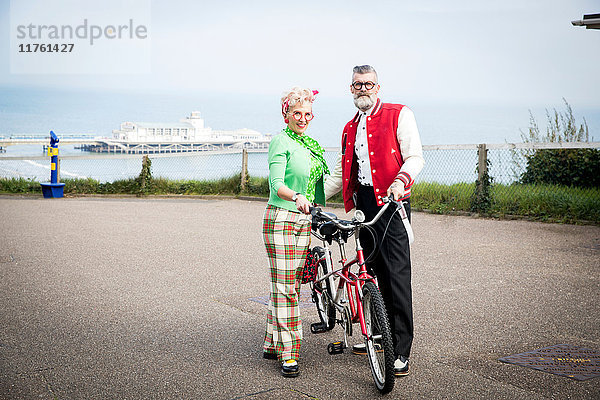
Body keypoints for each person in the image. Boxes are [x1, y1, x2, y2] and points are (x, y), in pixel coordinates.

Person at [324, 65, 424, 377]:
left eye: (368, 83)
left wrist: (400, 182)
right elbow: (342, 175)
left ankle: (401, 348)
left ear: (377, 87)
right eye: (357, 84)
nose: (363, 89)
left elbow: (415, 157)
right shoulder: (348, 128)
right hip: (363, 205)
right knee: (373, 273)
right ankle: (381, 335)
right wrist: (305, 196)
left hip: (392, 202)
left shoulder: (399, 114)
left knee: (396, 275)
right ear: (350, 89)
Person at [262, 86, 329, 378]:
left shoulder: (308, 144)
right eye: (296, 113)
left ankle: (270, 342)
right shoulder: (281, 142)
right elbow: (276, 184)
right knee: (287, 288)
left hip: (303, 221)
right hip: (282, 218)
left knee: (287, 283)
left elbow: (318, 185)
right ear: (286, 114)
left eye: (307, 114)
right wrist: (296, 197)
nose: (302, 118)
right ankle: (289, 353)